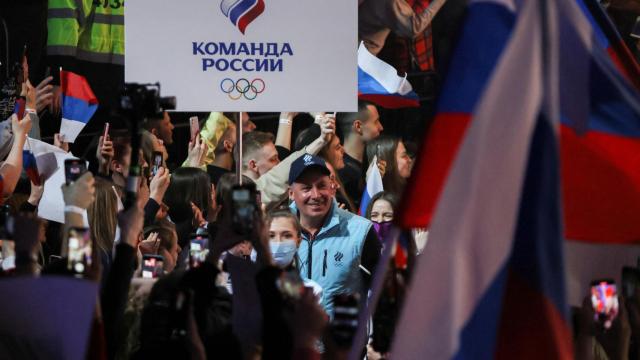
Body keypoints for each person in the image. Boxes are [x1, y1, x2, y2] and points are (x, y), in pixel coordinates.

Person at [288, 154, 381, 316]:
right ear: (291, 193)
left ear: (332, 187)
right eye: (306, 188)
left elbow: (381, 293)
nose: (316, 195)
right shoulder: (275, 232)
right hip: (291, 340)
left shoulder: (360, 231)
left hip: (342, 340)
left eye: (322, 185)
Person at [240, 116, 336, 209]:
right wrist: (321, 140)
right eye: (273, 159)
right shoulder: (240, 193)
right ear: (253, 165)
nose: (279, 163)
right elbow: (278, 176)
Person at [336, 100, 383, 209]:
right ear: (358, 126)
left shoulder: (369, 164)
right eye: (376, 122)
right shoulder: (343, 172)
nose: (381, 127)